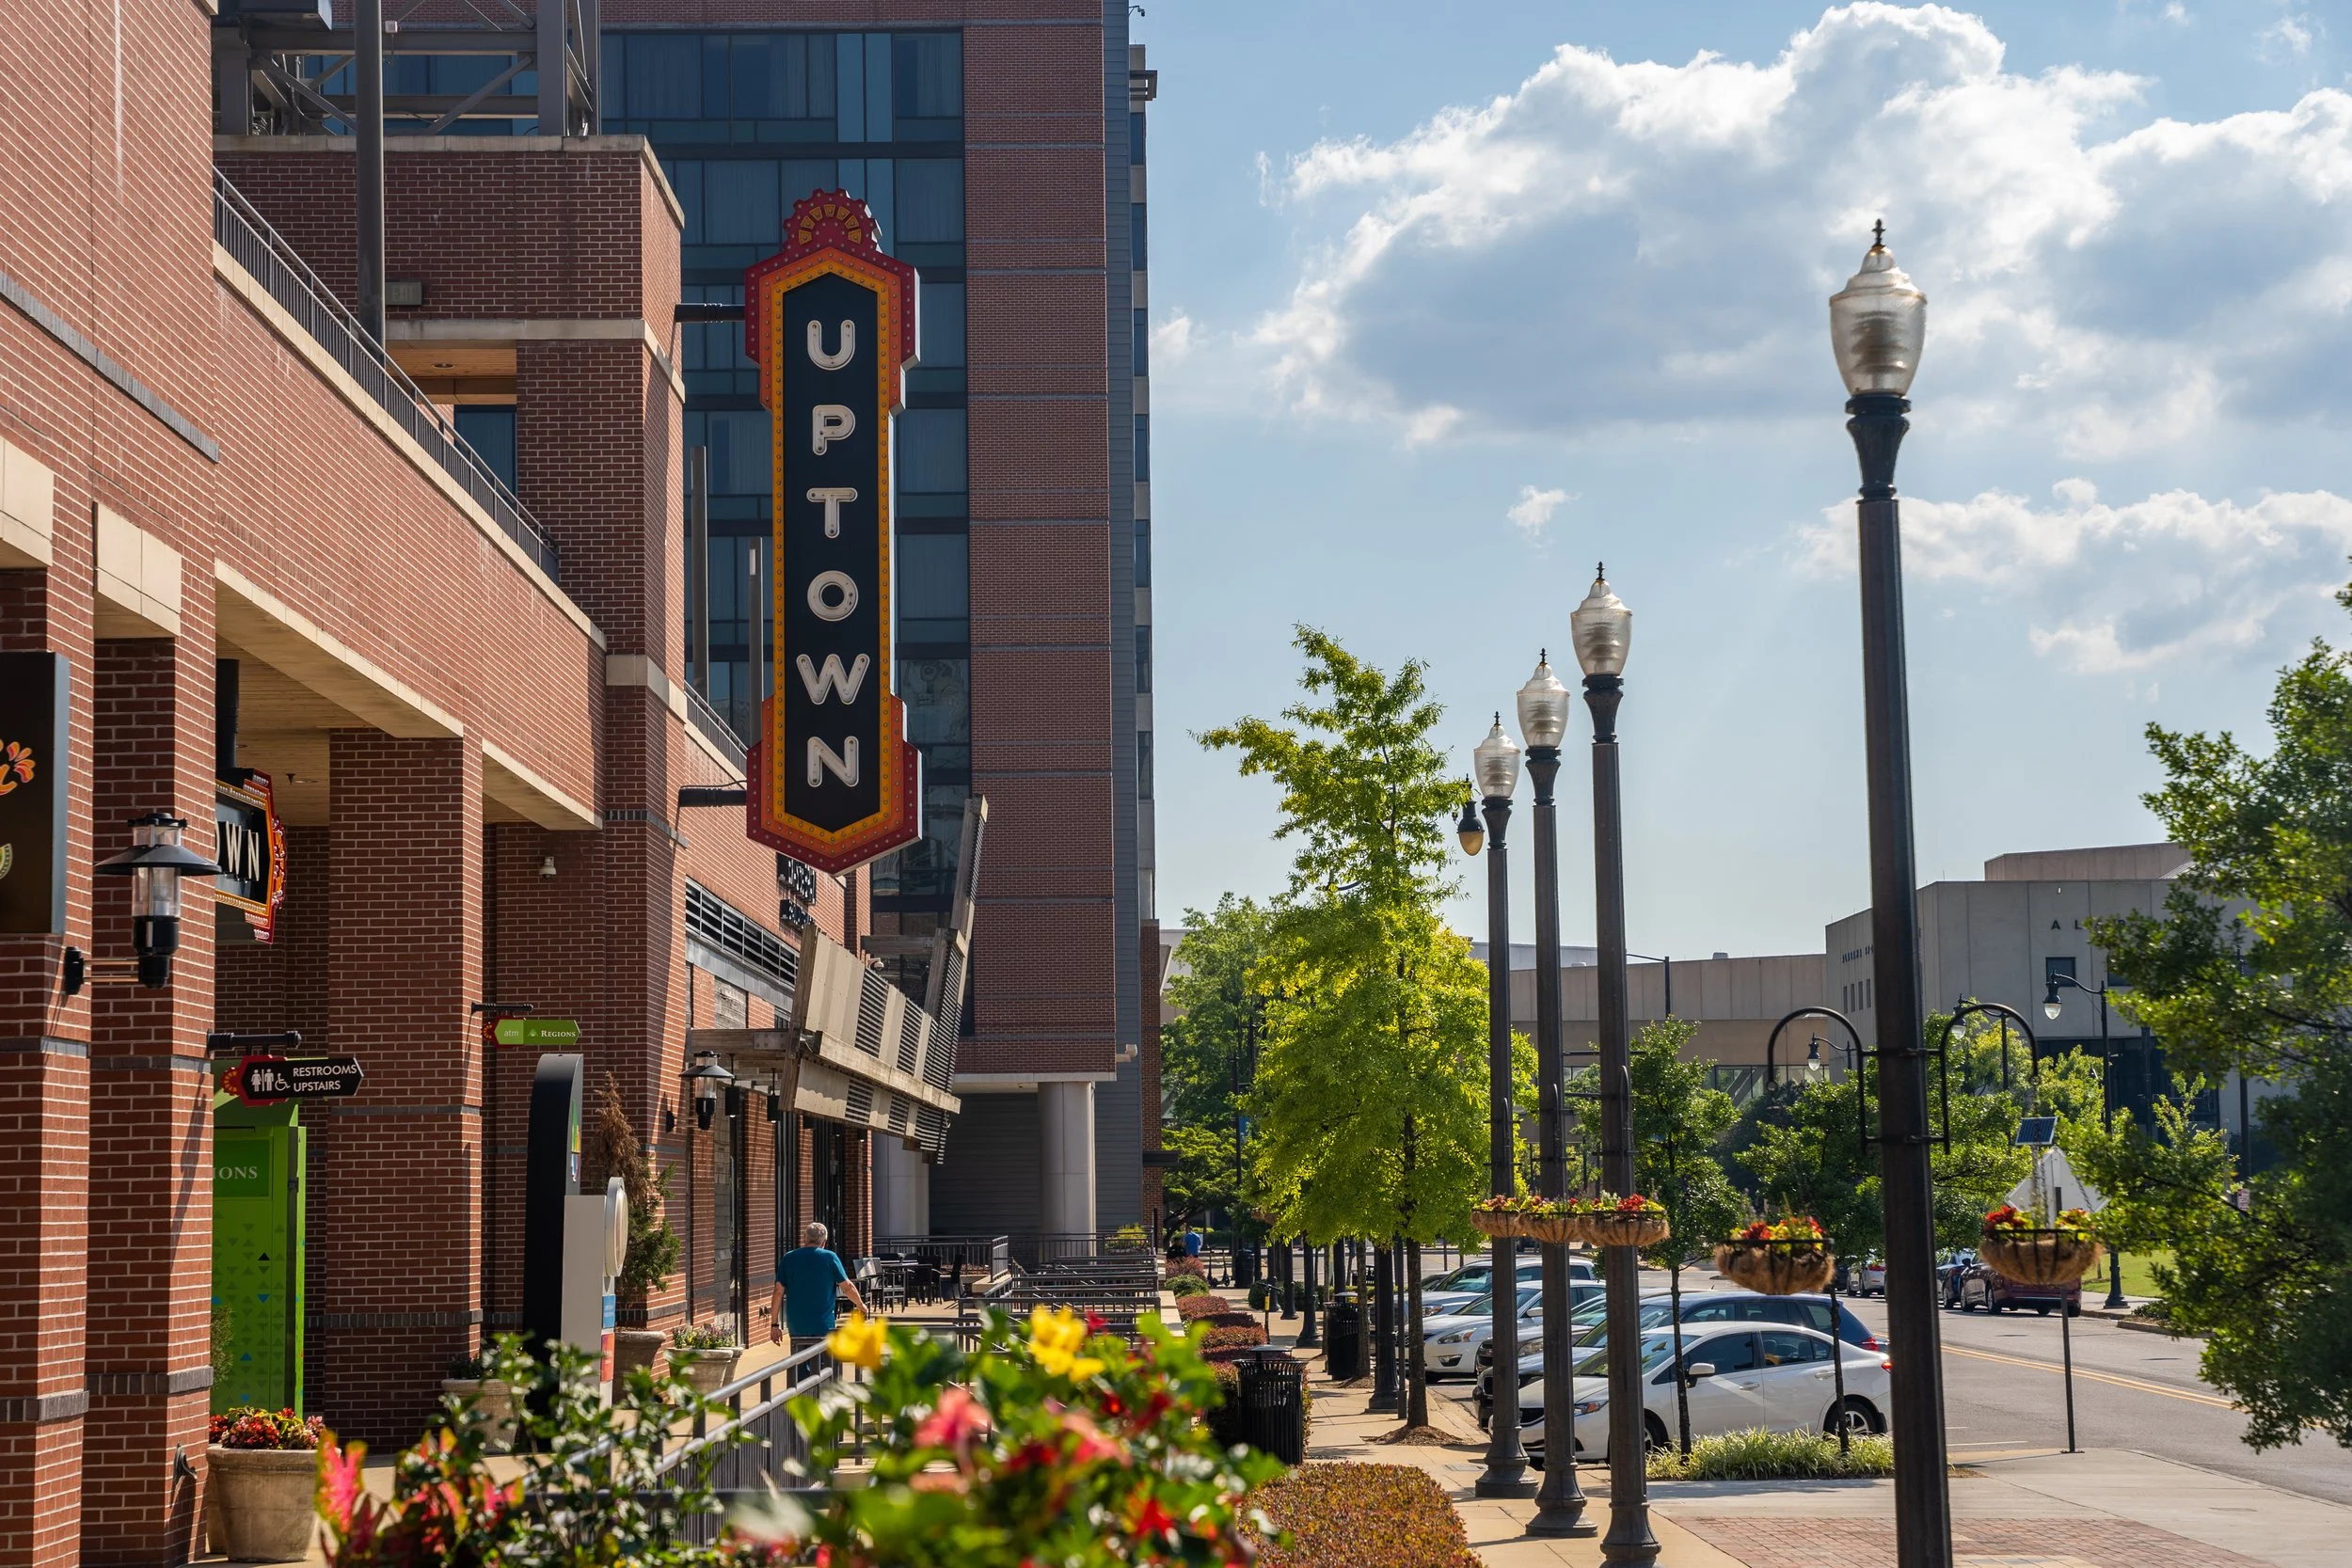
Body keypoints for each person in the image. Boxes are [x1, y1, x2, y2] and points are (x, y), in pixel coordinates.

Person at [771, 1221, 866, 1354]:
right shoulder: (829, 1258)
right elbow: (847, 1287)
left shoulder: (789, 1258)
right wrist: (860, 1304)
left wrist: (775, 1324)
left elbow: (778, 1292)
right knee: (824, 1368)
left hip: (797, 1324)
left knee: (799, 1365)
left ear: (805, 1237)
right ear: (824, 1241)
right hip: (823, 1324)